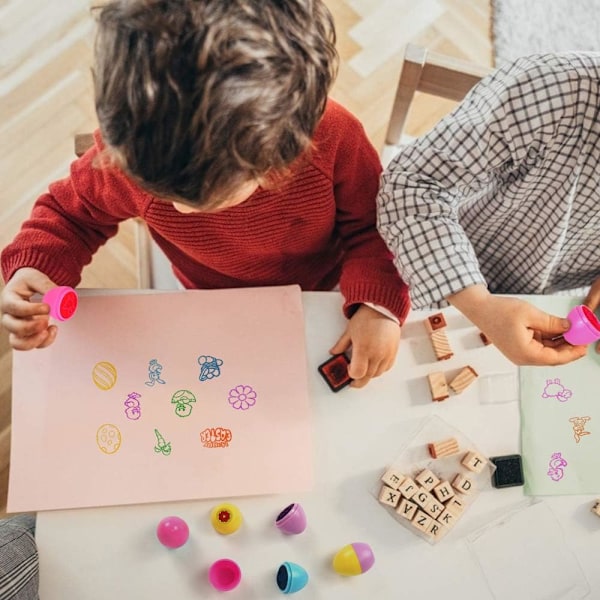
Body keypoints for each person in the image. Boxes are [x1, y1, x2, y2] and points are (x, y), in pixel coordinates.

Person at [0, 0, 410, 388]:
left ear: (279, 155)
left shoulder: (336, 140)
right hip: (206, 296)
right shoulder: (133, 151)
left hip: (325, 289)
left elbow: (376, 228)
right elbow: (71, 215)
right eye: (157, 190)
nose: (177, 210)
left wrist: (376, 304)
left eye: (206, 198)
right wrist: (36, 266)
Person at [376, 51, 600, 367]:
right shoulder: (555, 90)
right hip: (439, 262)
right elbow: (412, 185)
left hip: (547, 302)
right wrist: (479, 304)